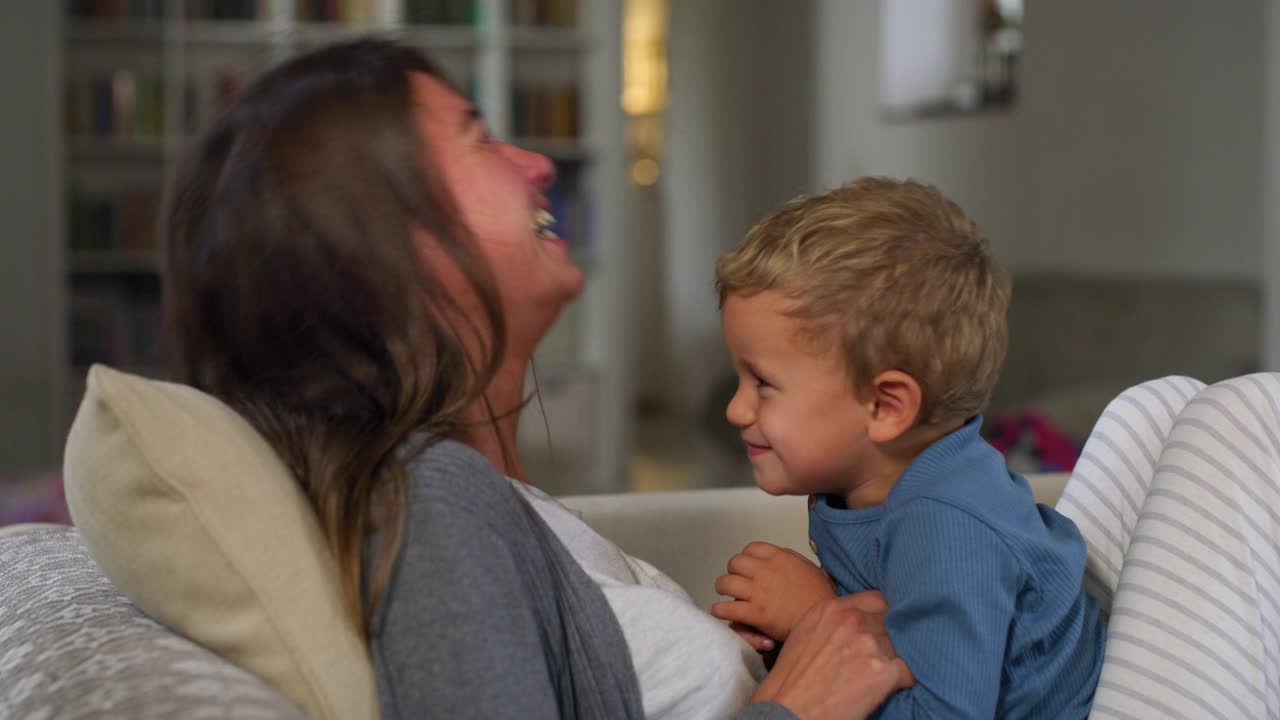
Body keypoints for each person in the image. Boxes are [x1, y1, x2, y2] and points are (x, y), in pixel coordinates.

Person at [159, 39, 912, 720]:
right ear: (386, 249)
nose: (538, 163)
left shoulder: (479, 498)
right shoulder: (434, 504)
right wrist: (796, 705)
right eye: (479, 140)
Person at [710, 178, 1107, 717]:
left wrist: (817, 618)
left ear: (885, 406)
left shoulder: (946, 525)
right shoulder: (872, 491)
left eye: (763, 383)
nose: (737, 409)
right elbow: (903, 645)